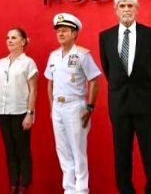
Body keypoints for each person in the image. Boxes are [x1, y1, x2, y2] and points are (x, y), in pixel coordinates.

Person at [98, 0, 151, 194]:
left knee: (150, 154)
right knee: (122, 154)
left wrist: (143, 87)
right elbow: (109, 70)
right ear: (115, 10)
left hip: (147, 103)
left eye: (130, 6)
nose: (126, 9)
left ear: (137, 9)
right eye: (122, 5)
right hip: (119, 105)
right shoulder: (105, 36)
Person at [45, 12, 100, 194]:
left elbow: (94, 80)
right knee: (63, 150)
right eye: (58, 31)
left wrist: (90, 107)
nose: (60, 34)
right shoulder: (53, 56)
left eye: (65, 31)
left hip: (75, 105)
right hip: (58, 107)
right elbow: (50, 82)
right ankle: (69, 189)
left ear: (74, 33)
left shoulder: (82, 55)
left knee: (78, 150)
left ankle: (82, 189)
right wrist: (52, 107)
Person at [0, 27, 38, 194]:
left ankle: (24, 185)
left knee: (22, 150)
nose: (9, 40)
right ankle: (13, 185)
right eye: (8, 37)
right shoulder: (1, 63)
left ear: (23, 42)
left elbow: (33, 90)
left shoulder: (28, 62)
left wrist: (30, 113)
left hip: (20, 113)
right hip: (2, 113)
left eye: (14, 37)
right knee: (9, 150)